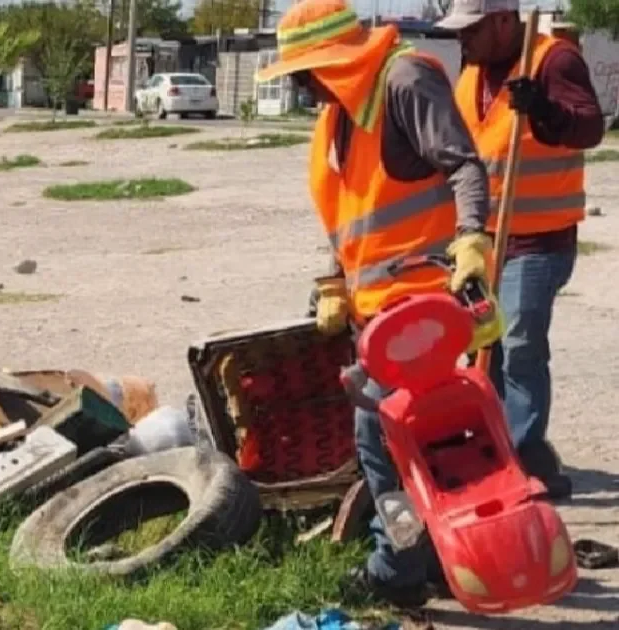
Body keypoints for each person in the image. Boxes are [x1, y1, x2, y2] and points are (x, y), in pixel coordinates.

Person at [255, 0, 492, 608]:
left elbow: (464, 166)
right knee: (407, 442)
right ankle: (442, 554)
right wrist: (332, 281)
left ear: (333, 61)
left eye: (304, 73)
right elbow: (347, 220)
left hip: (422, 306)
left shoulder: (403, 80)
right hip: (378, 313)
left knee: (381, 442)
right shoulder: (340, 115)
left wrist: (471, 238)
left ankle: (399, 567)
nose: (302, 88)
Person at [438, 0, 606, 499]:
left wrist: (544, 110)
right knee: (483, 345)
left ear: (504, 21)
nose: (461, 41)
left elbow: (590, 127)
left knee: (520, 344)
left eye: (471, 30)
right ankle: (498, 444)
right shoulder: (473, 71)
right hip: (482, 241)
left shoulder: (553, 61)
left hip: (538, 239)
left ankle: (525, 451)